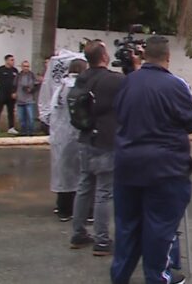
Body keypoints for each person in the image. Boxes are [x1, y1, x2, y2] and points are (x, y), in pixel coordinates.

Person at [110, 36, 192, 284]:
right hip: (166, 169)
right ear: (167, 58)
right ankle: (157, 278)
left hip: (127, 167)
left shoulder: (127, 83)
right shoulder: (175, 86)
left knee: (127, 229)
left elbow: (119, 114)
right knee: (160, 229)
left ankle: (119, 277)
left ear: (144, 56)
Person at [69, 40, 124, 256]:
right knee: (104, 192)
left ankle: (78, 233)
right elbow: (133, 85)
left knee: (84, 186)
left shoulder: (81, 78)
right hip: (106, 140)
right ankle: (101, 240)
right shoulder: (112, 79)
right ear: (104, 57)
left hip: (85, 137)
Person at [42, 59, 87, 221]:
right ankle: (82, 209)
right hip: (76, 135)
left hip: (61, 136)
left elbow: (52, 112)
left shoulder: (60, 87)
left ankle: (63, 208)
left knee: (63, 172)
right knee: (81, 173)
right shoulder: (81, 87)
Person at [0, 54, 18, 135]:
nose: (13, 61)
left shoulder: (15, 70)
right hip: (1, 93)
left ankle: (11, 128)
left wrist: (15, 92)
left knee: (11, 111)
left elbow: (16, 82)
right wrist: (1, 85)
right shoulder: (0, 69)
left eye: (13, 60)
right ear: (6, 60)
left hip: (11, 94)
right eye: (11, 60)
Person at [15, 60, 40, 136]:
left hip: (29, 99)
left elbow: (37, 85)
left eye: (27, 66)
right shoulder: (18, 76)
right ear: (22, 67)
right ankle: (23, 131)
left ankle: (31, 131)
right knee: (21, 118)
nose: (26, 68)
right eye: (24, 66)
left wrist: (31, 90)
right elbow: (14, 85)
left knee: (30, 117)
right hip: (20, 99)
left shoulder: (32, 75)